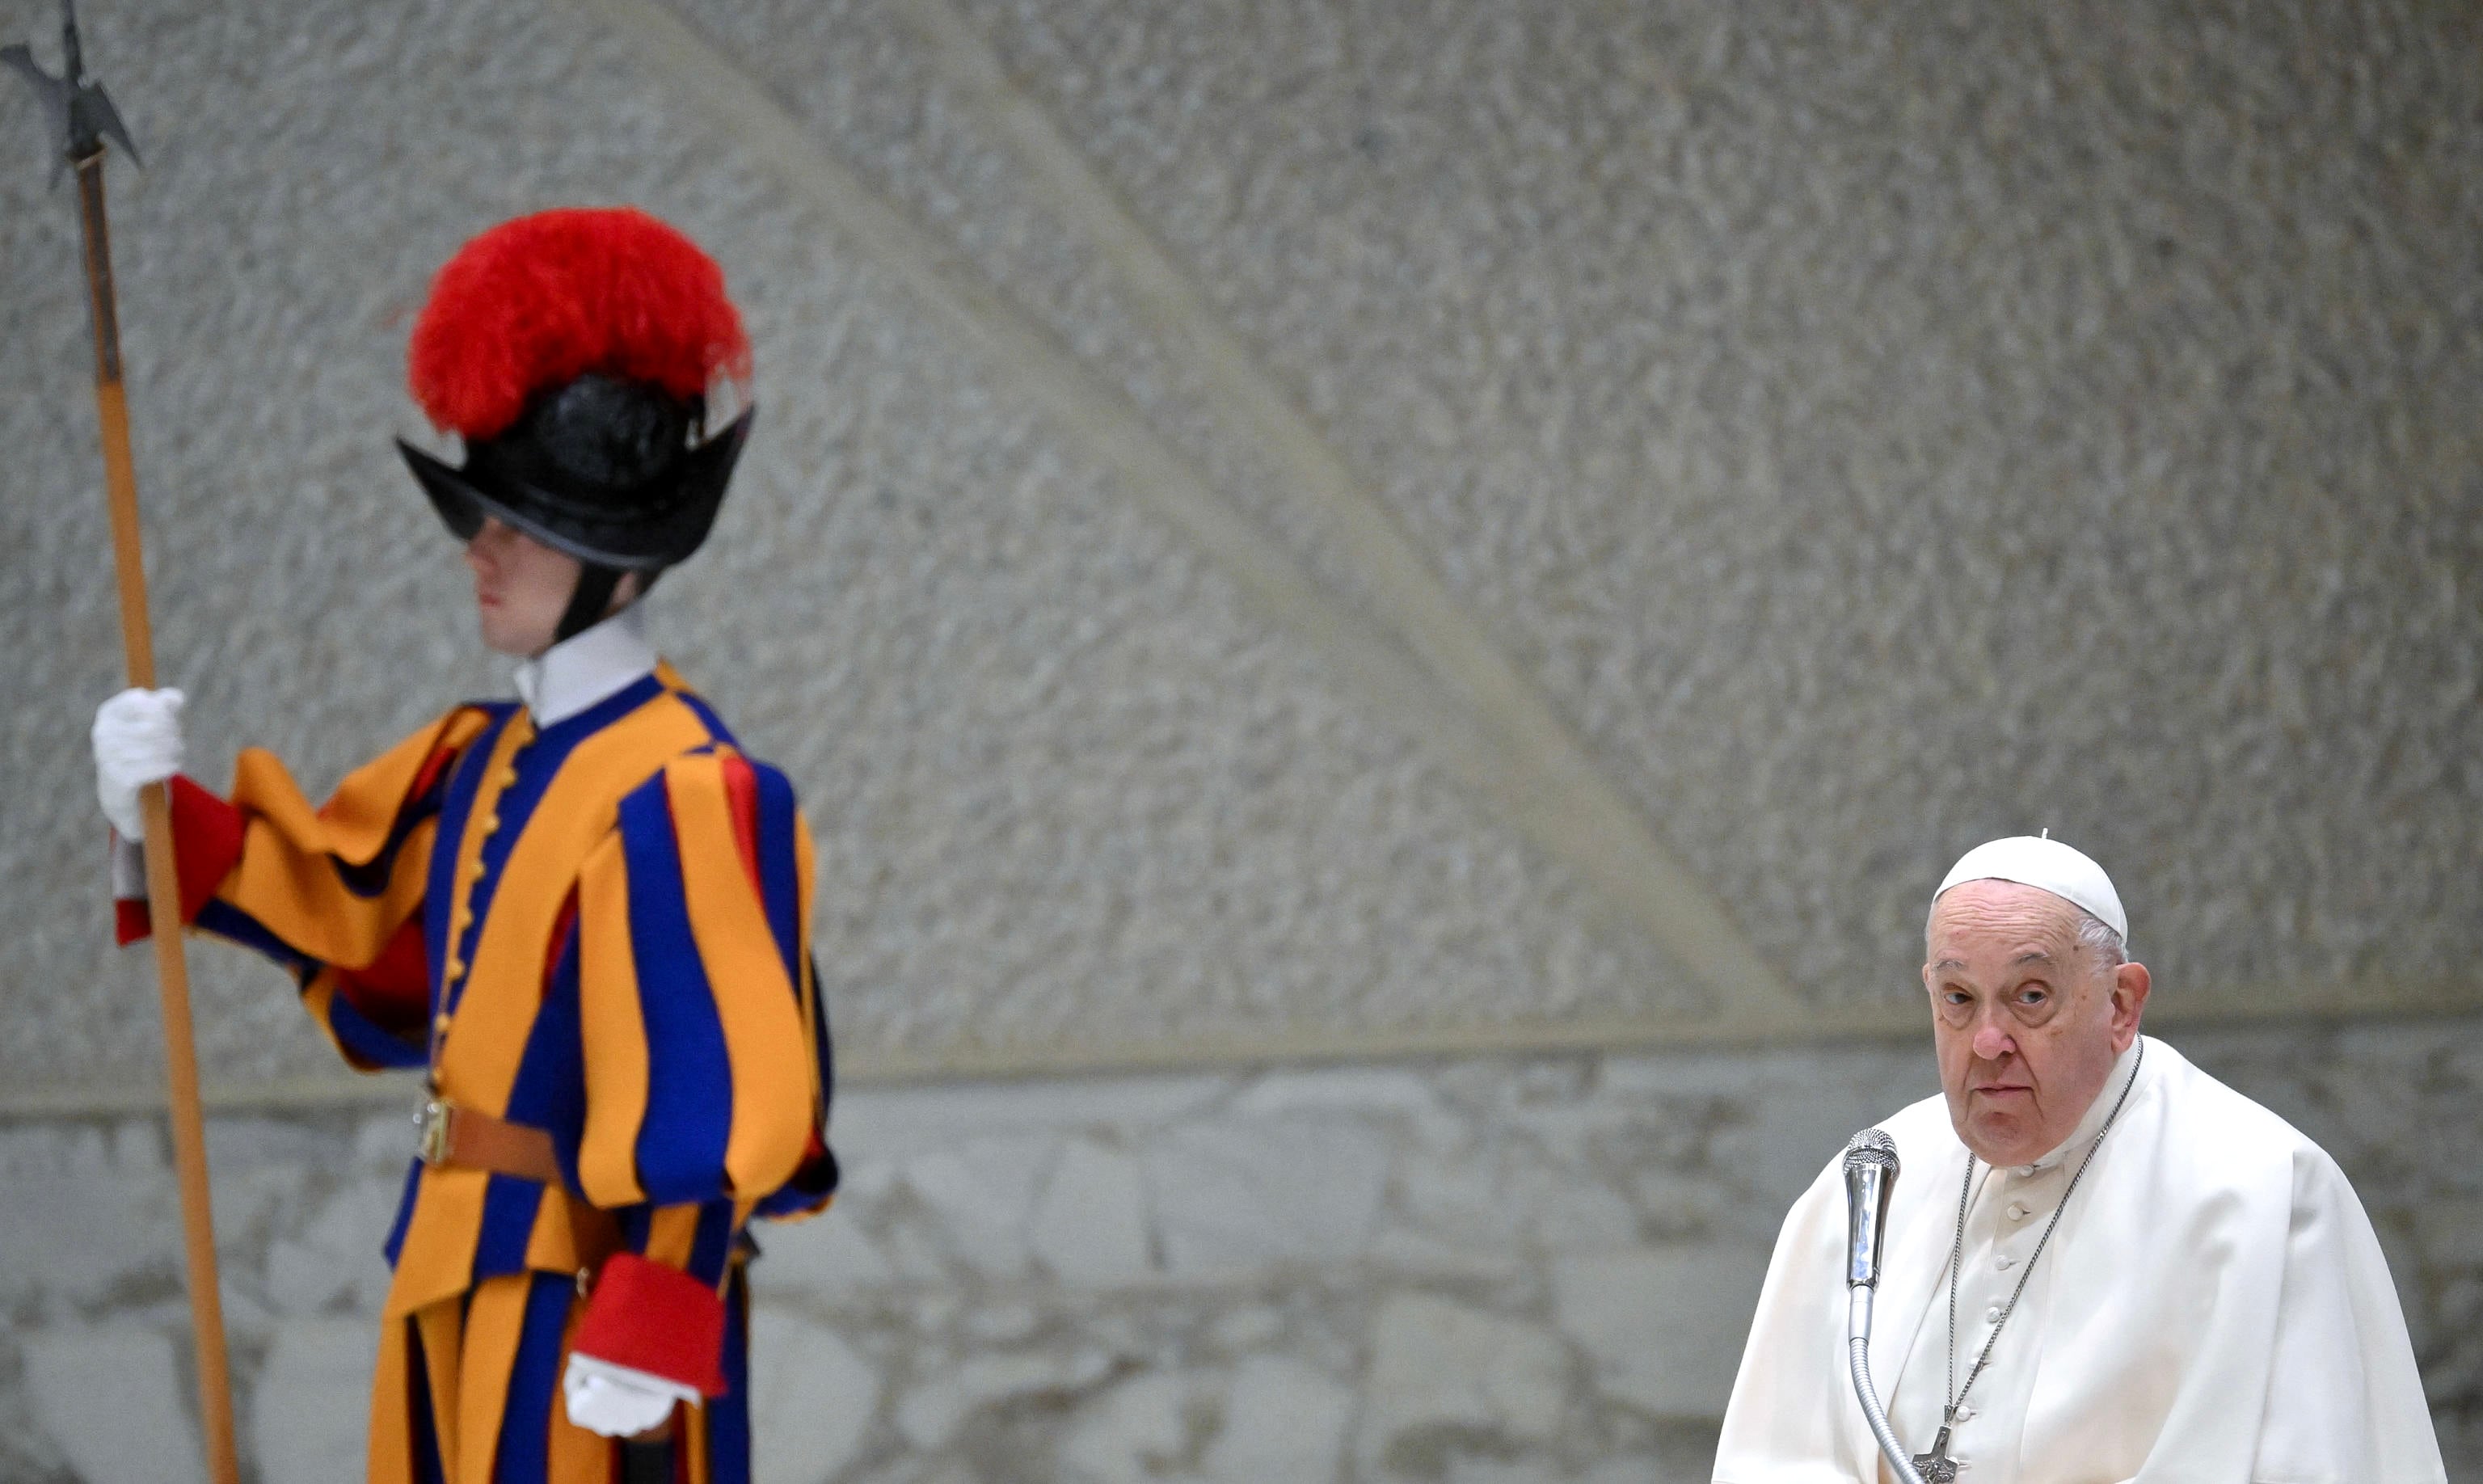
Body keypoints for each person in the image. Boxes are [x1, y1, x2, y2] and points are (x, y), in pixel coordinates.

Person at [88, 207, 837, 1484]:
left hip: (588, 1297)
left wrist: (654, 1324)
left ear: (615, 558)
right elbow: (350, 911)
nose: (480, 551)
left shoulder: (690, 791)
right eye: (481, 515)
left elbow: (719, 1099)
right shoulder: (477, 760)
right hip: (452, 1255)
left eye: (520, 526)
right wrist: (154, 810)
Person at [1714, 835, 2443, 1482]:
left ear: (2121, 1005)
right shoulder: (1876, 1178)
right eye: (1959, 998)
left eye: (2030, 997)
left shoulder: (2260, 1189)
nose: (1987, 1041)